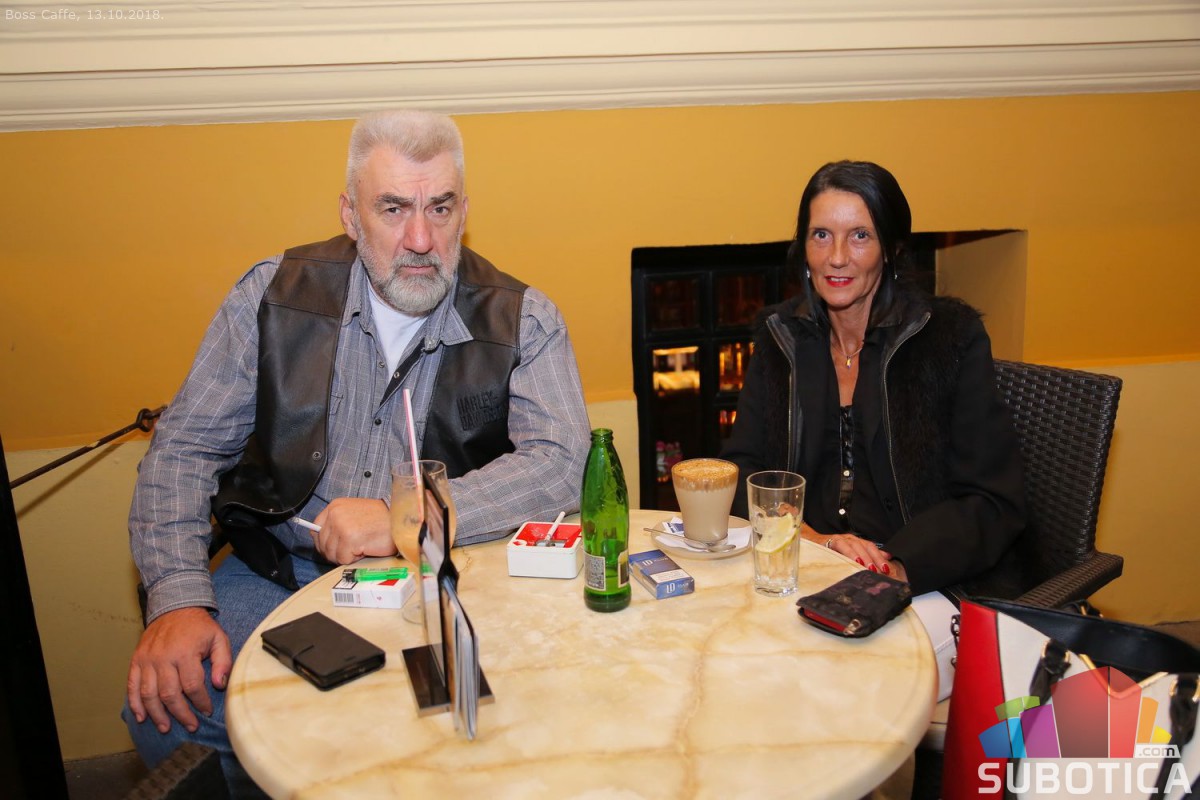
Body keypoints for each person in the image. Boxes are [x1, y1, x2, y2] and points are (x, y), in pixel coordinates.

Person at [123, 110, 590, 795]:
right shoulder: (272, 295)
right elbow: (183, 450)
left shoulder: (526, 319)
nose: (421, 239)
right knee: (169, 711)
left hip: (433, 582)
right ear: (350, 214)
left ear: (465, 212)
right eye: (393, 209)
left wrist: (416, 513)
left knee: (438, 728)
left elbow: (562, 464)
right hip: (277, 571)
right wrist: (177, 601)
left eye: (440, 208)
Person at [721, 160, 1026, 697]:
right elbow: (746, 469)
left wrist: (894, 566)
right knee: (732, 659)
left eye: (860, 235)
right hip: (812, 566)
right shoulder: (782, 338)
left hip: (932, 579)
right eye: (821, 235)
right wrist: (813, 540)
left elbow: (992, 501)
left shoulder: (948, 338)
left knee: (832, 686)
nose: (837, 257)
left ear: (891, 248)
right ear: (803, 247)